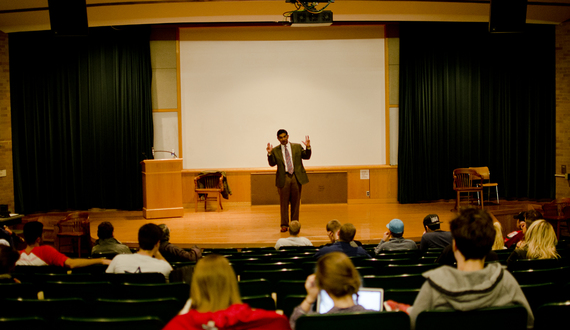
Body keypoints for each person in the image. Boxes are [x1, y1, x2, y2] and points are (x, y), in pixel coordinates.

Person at [387, 208, 534, 330]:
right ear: (489, 245)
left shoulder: (434, 286)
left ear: (454, 246)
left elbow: (414, 323)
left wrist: (403, 309)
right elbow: (528, 322)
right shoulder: (506, 281)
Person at [163, 254, 291, 330]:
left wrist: (182, 315)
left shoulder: (178, 325)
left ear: (196, 286)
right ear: (232, 283)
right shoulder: (275, 323)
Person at [289, 252, 375, 329]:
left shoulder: (313, 323)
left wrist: (310, 298)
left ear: (322, 285)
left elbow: (294, 323)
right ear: (355, 278)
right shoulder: (377, 319)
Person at [267, 129, 311, 232]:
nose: (283, 139)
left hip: (296, 177)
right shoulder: (275, 150)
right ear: (278, 139)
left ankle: (294, 224)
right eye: (281, 137)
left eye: (284, 136)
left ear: (288, 136)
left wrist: (308, 147)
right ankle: (284, 225)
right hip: (284, 177)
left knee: (296, 202)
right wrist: (269, 154)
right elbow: (272, 163)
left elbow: (306, 156)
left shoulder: (296, 147)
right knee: (284, 203)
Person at [16, 221, 111, 269]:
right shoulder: (46, 251)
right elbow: (71, 263)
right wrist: (100, 260)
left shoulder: (15, 256)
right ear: (38, 239)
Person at [106, 223, 173, 281]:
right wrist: (157, 252)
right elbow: (173, 277)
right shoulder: (164, 267)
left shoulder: (118, 260)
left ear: (139, 240)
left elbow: (107, 282)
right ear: (157, 243)